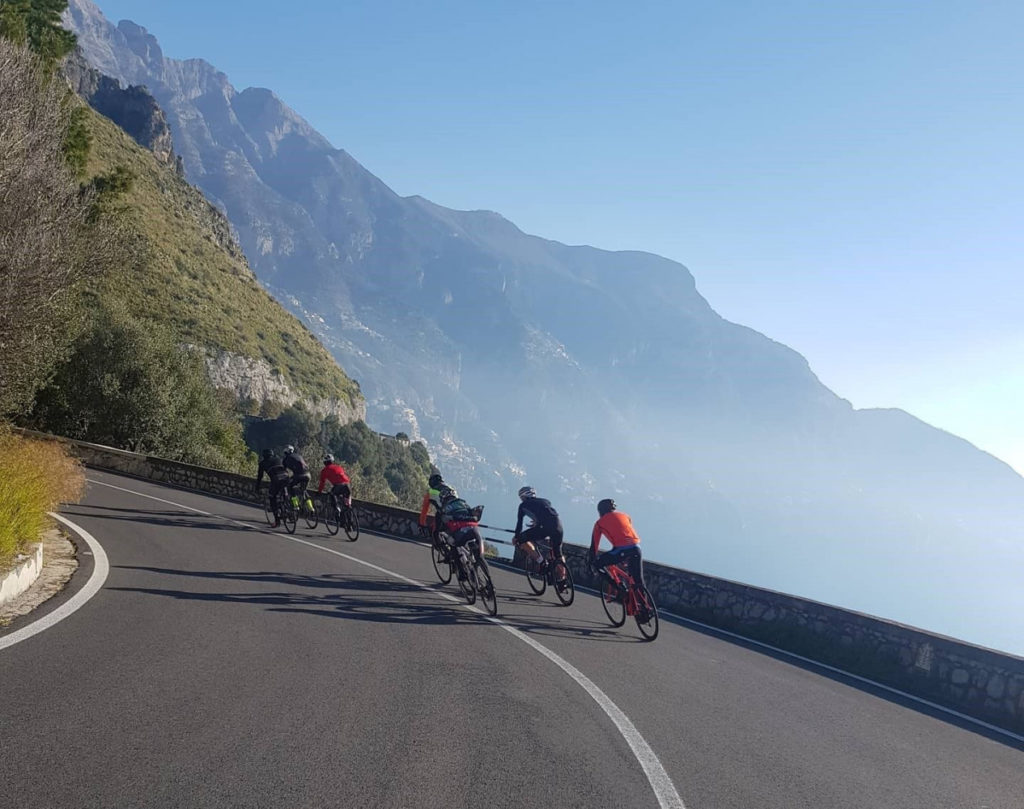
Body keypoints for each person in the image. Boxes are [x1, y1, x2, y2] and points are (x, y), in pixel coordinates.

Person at [513, 485, 567, 582]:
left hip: (544, 528)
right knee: (558, 553)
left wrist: (516, 537)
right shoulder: (546, 501)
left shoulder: (523, 506)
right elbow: (546, 514)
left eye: (521, 497)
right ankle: (563, 579)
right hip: (559, 526)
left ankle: (541, 562)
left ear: (524, 496)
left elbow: (519, 524)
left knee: (522, 540)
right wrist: (537, 522)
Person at [589, 498, 644, 591]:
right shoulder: (626, 516)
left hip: (621, 550)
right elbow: (624, 533)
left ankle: (619, 589)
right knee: (637, 580)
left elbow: (594, 546)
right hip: (636, 548)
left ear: (601, 511)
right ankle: (644, 604)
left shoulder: (599, 523)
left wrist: (591, 560)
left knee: (598, 564)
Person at [254, 448, 289, 527]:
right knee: (285, 493)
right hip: (286, 477)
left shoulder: (262, 463)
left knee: (272, 498)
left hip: (276, 479)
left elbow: (260, 477)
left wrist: (257, 487)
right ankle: (288, 510)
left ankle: (277, 521)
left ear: (264, 456)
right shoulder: (278, 459)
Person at [419, 472, 456, 541]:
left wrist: (422, 524)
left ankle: (438, 542)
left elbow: (424, 511)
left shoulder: (431, 492)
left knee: (435, 532)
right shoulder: (451, 490)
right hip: (457, 512)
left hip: (444, 514)